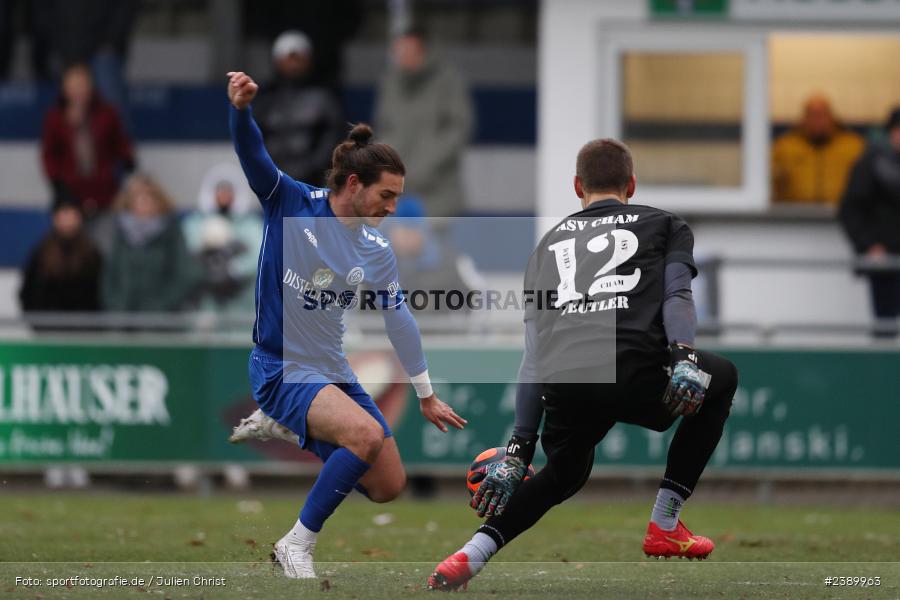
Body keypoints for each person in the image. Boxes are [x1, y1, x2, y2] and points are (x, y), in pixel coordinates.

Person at [427, 139, 739, 590]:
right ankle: (665, 524)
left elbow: (533, 353)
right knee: (723, 377)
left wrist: (519, 446)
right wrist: (685, 355)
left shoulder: (547, 245)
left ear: (577, 186)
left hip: (567, 378)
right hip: (636, 368)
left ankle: (469, 555)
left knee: (563, 474)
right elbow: (677, 295)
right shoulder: (666, 224)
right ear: (631, 184)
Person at [222, 71, 466, 580]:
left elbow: (398, 317)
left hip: (331, 370)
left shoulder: (376, 249)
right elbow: (253, 155)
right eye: (387, 195)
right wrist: (241, 110)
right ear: (354, 184)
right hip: (280, 367)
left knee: (387, 484)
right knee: (363, 435)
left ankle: (290, 430)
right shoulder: (289, 202)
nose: (393, 208)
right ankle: (296, 544)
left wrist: (424, 392)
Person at [375, 25, 473, 218]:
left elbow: (458, 128)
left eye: (408, 51)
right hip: (397, 191)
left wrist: (424, 165)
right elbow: (384, 127)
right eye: (398, 52)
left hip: (438, 193)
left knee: (435, 245)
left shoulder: (448, 81)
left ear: (424, 52)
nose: (402, 57)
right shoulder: (390, 82)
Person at [251, 30, 344, 188]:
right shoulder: (265, 99)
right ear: (277, 61)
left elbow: (334, 135)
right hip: (274, 181)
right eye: (288, 59)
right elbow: (256, 138)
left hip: (314, 182)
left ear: (308, 60)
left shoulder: (325, 97)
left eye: (298, 58)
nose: (293, 65)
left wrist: (314, 166)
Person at [41, 63, 135, 217]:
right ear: (65, 89)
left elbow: (121, 145)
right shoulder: (55, 118)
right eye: (73, 85)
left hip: (105, 192)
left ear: (91, 86)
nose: (78, 90)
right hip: (69, 195)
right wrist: (58, 184)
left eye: (82, 84)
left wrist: (125, 166)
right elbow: (49, 155)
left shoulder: (108, 113)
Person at [838, 107, 900, 336]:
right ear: (891, 133)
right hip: (884, 260)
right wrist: (869, 246)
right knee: (885, 327)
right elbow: (850, 210)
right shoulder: (870, 165)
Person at [102, 174, 197, 314]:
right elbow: (110, 275)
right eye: (138, 198)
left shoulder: (171, 233)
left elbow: (183, 274)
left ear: (159, 202)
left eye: (149, 198)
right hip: (123, 319)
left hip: (160, 319)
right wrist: (116, 305)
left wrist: (163, 305)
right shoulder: (120, 234)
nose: (144, 203)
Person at [182, 163, 263, 316]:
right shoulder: (194, 222)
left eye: (229, 190)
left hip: (241, 302)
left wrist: (234, 269)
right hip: (206, 300)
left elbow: (258, 255)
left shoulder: (250, 224)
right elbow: (189, 250)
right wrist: (209, 265)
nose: (224, 195)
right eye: (220, 190)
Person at [19, 199, 103, 323]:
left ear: (79, 219)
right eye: (63, 215)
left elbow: (101, 292)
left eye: (72, 215)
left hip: (85, 330)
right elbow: (28, 292)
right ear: (55, 219)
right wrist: (38, 323)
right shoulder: (41, 253)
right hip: (49, 330)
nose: (68, 221)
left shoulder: (91, 254)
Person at [771, 94, 864, 206]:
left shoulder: (853, 146)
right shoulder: (785, 147)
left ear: (832, 117)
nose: (817, 120)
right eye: (812, 115)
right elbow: (771, 182)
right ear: (803, 118)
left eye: (822, 114)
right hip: (795, 216)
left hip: (841, 214)